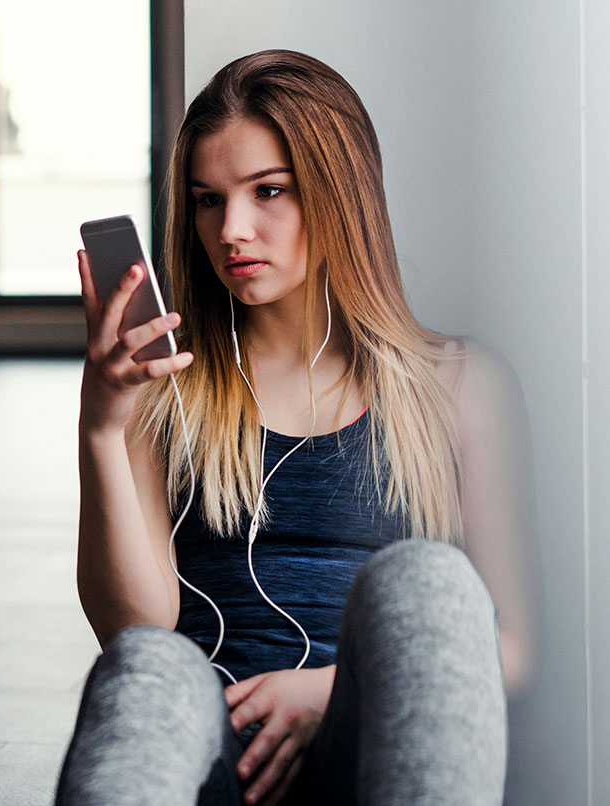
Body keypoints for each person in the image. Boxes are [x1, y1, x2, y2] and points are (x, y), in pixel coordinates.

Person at [55, 49, 538, 806]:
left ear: (339, 194)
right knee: (153, 670)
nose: (231, 230)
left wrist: (324, 693)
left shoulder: (461, 385)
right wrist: (101, 430)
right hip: (212, 754)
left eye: (268, 191)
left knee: (432, 584)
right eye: (208, 201)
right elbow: (134, 634)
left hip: (368, 744)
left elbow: (511, 651)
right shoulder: (165, 395)